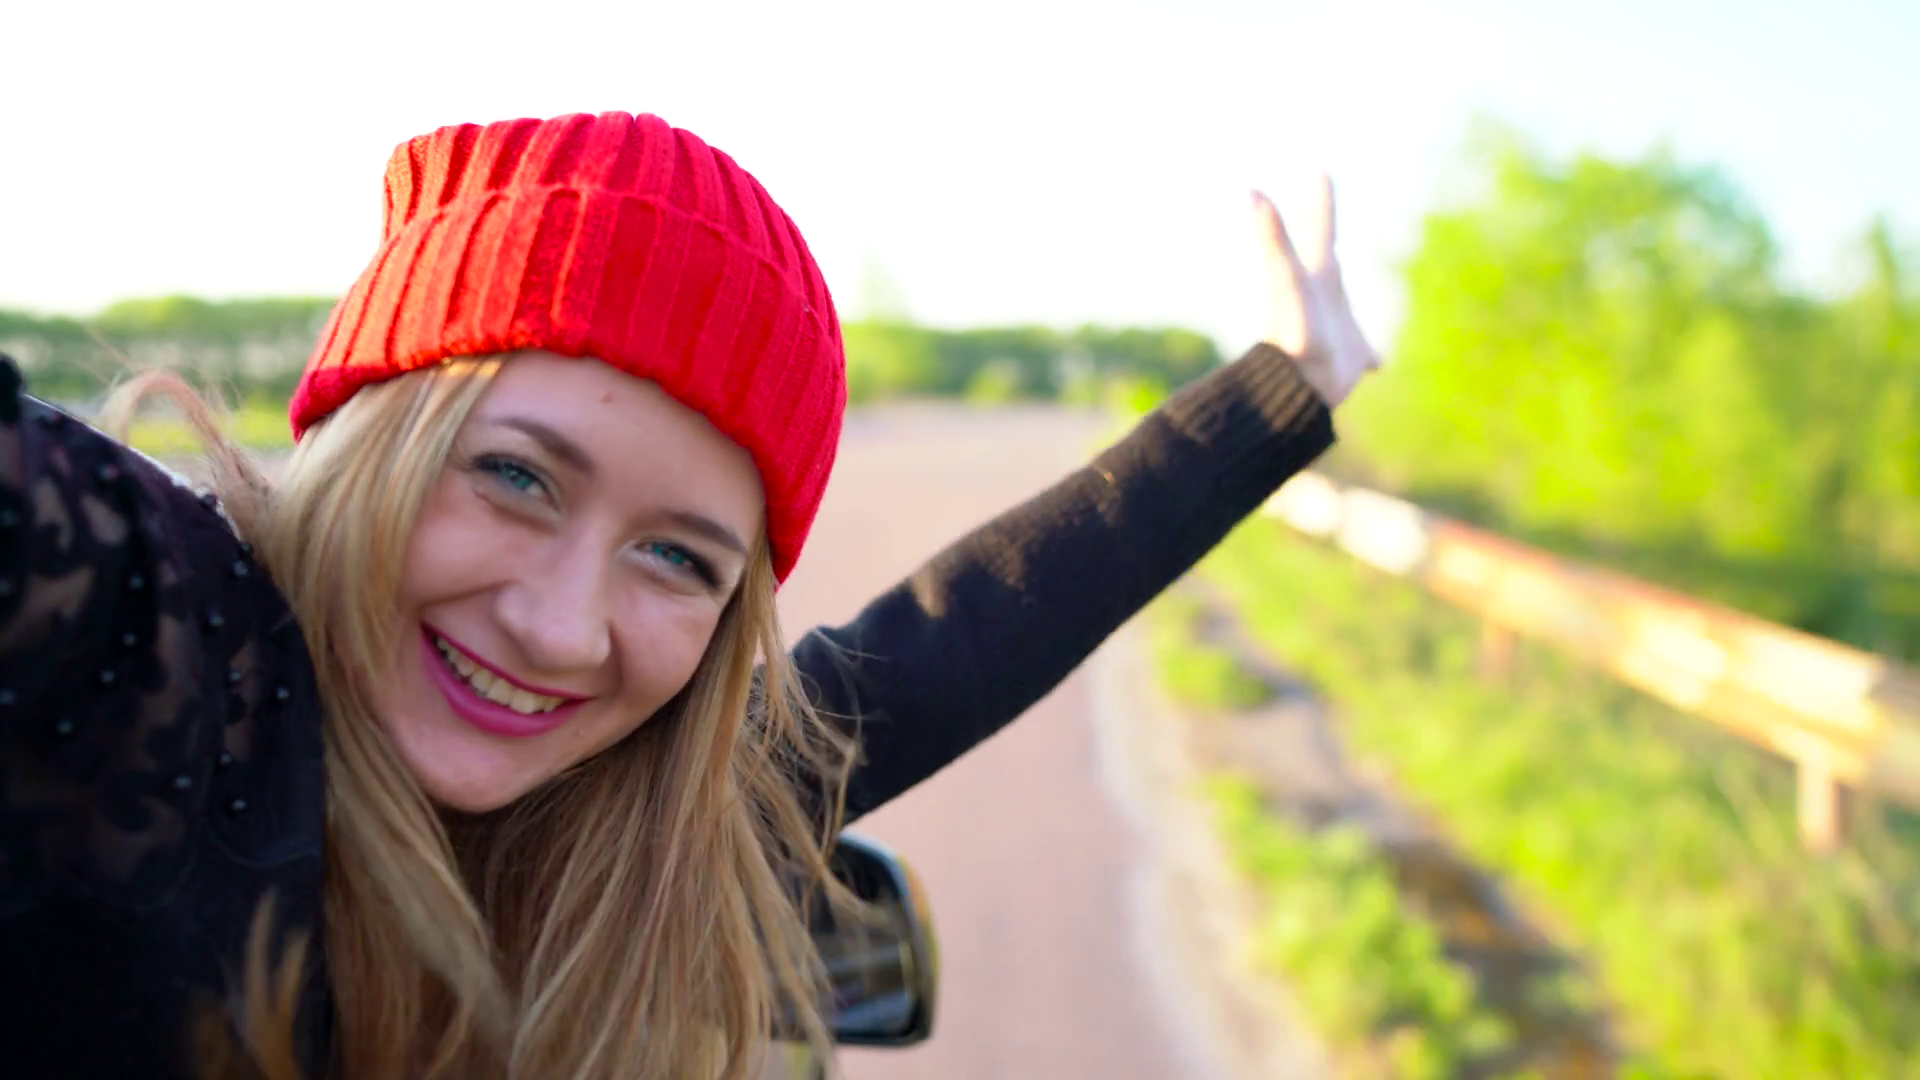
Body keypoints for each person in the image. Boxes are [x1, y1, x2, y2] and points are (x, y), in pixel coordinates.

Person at [0, 111, 1379, 1080]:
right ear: (371, 435)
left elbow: (953, 647)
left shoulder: (631, 821)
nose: (560, 628)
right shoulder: (140, 622)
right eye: (515, 478)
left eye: (678, 557)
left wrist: (1287, 391)